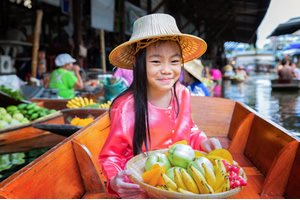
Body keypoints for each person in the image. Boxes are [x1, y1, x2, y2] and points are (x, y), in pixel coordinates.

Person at [98, 13, 222, 198]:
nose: (166, 69)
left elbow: (190, 128)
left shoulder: (182, 93)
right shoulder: (124, 107)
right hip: (141, 185)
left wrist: (203, 140)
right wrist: (117, 180)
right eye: (156, 61)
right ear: (139, 64)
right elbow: (112, 156)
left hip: (180, 180)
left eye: (174, 61)